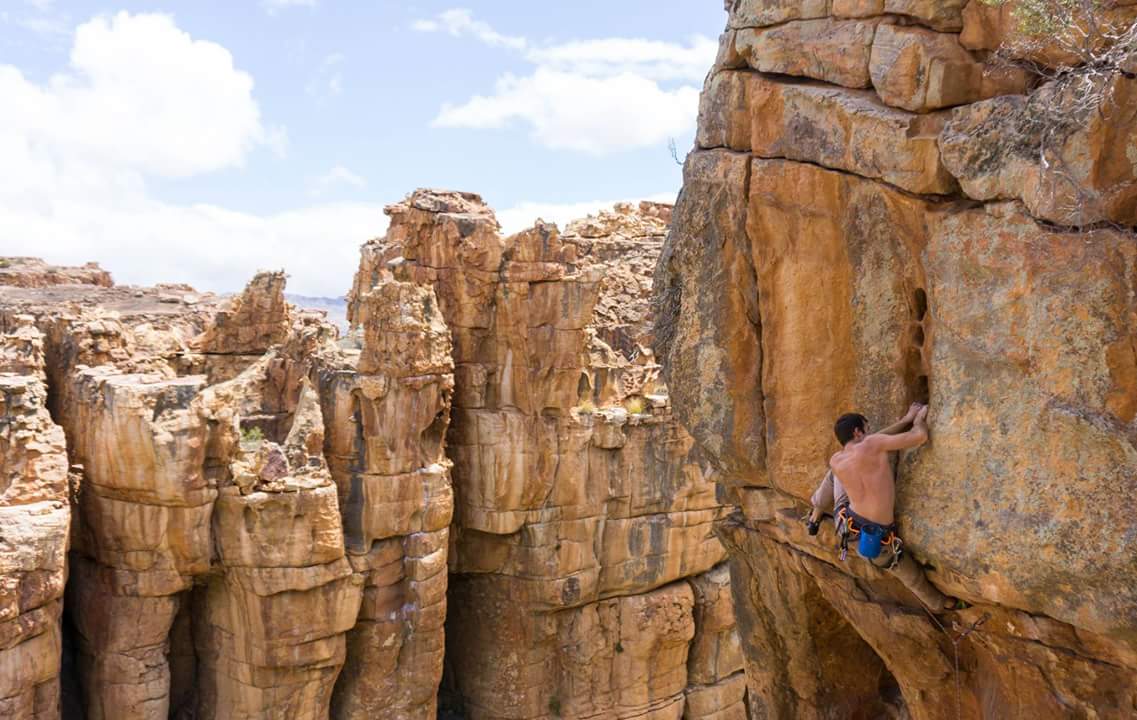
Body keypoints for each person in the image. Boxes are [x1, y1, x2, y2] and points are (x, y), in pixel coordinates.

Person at [809, 403, 961, 613]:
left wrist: (904, 420)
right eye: (866, 428)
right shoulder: (872, 444)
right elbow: (920, 437)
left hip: (844, 523)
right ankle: (943, 605)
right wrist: (917, 420)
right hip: (876, 540)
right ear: (857, 431)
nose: (870, 433)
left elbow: (869, 443)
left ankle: (815, 513)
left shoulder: (837, 459)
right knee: (913, 577)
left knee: (834, 473)